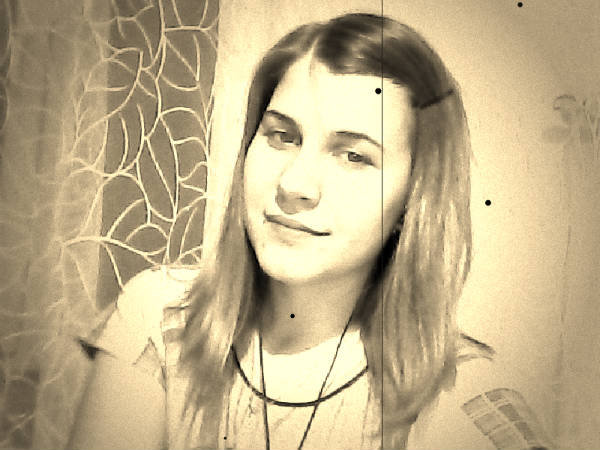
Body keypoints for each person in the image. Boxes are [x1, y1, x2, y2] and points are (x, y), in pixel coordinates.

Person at [68, 12, 554, 450]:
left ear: (414, 198)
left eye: (354, 156)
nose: (295, 184)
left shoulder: (457, 399)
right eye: (282, 136)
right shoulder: (162, 320)